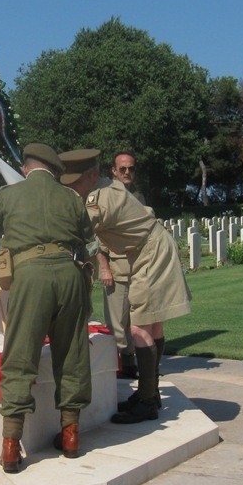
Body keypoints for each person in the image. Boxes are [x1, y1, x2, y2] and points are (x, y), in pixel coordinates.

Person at [0, 143, 97, 472]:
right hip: (70, 276)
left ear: (26, 168)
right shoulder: (71, 198)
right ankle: (71, 435)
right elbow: (91, 247)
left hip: (30, 280)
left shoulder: (9, 196)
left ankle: (11, 445)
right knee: (72, 355)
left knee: (20, 356)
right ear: (54, 170)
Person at [58, 149, 191, 424]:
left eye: (76, 181)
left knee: (139, 328)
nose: (72, 187)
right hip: (150, 248)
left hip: (149, 253)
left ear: (92, 175)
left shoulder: (99, 199)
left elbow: (76, 231)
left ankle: (147, 402)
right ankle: (150, 392)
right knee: (153, 326)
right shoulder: (105, 187)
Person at [101, 152, 146, 380]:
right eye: (122, 169)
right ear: (114, 171)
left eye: (131, 168)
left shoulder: (138, 197)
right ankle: (113, 366)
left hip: (139, 268)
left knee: (137, 321)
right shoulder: (106, 196)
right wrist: (104, 267)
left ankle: (129, 364)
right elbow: (97, 235)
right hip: (116, 269)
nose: (127, 172)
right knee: (116, 322)